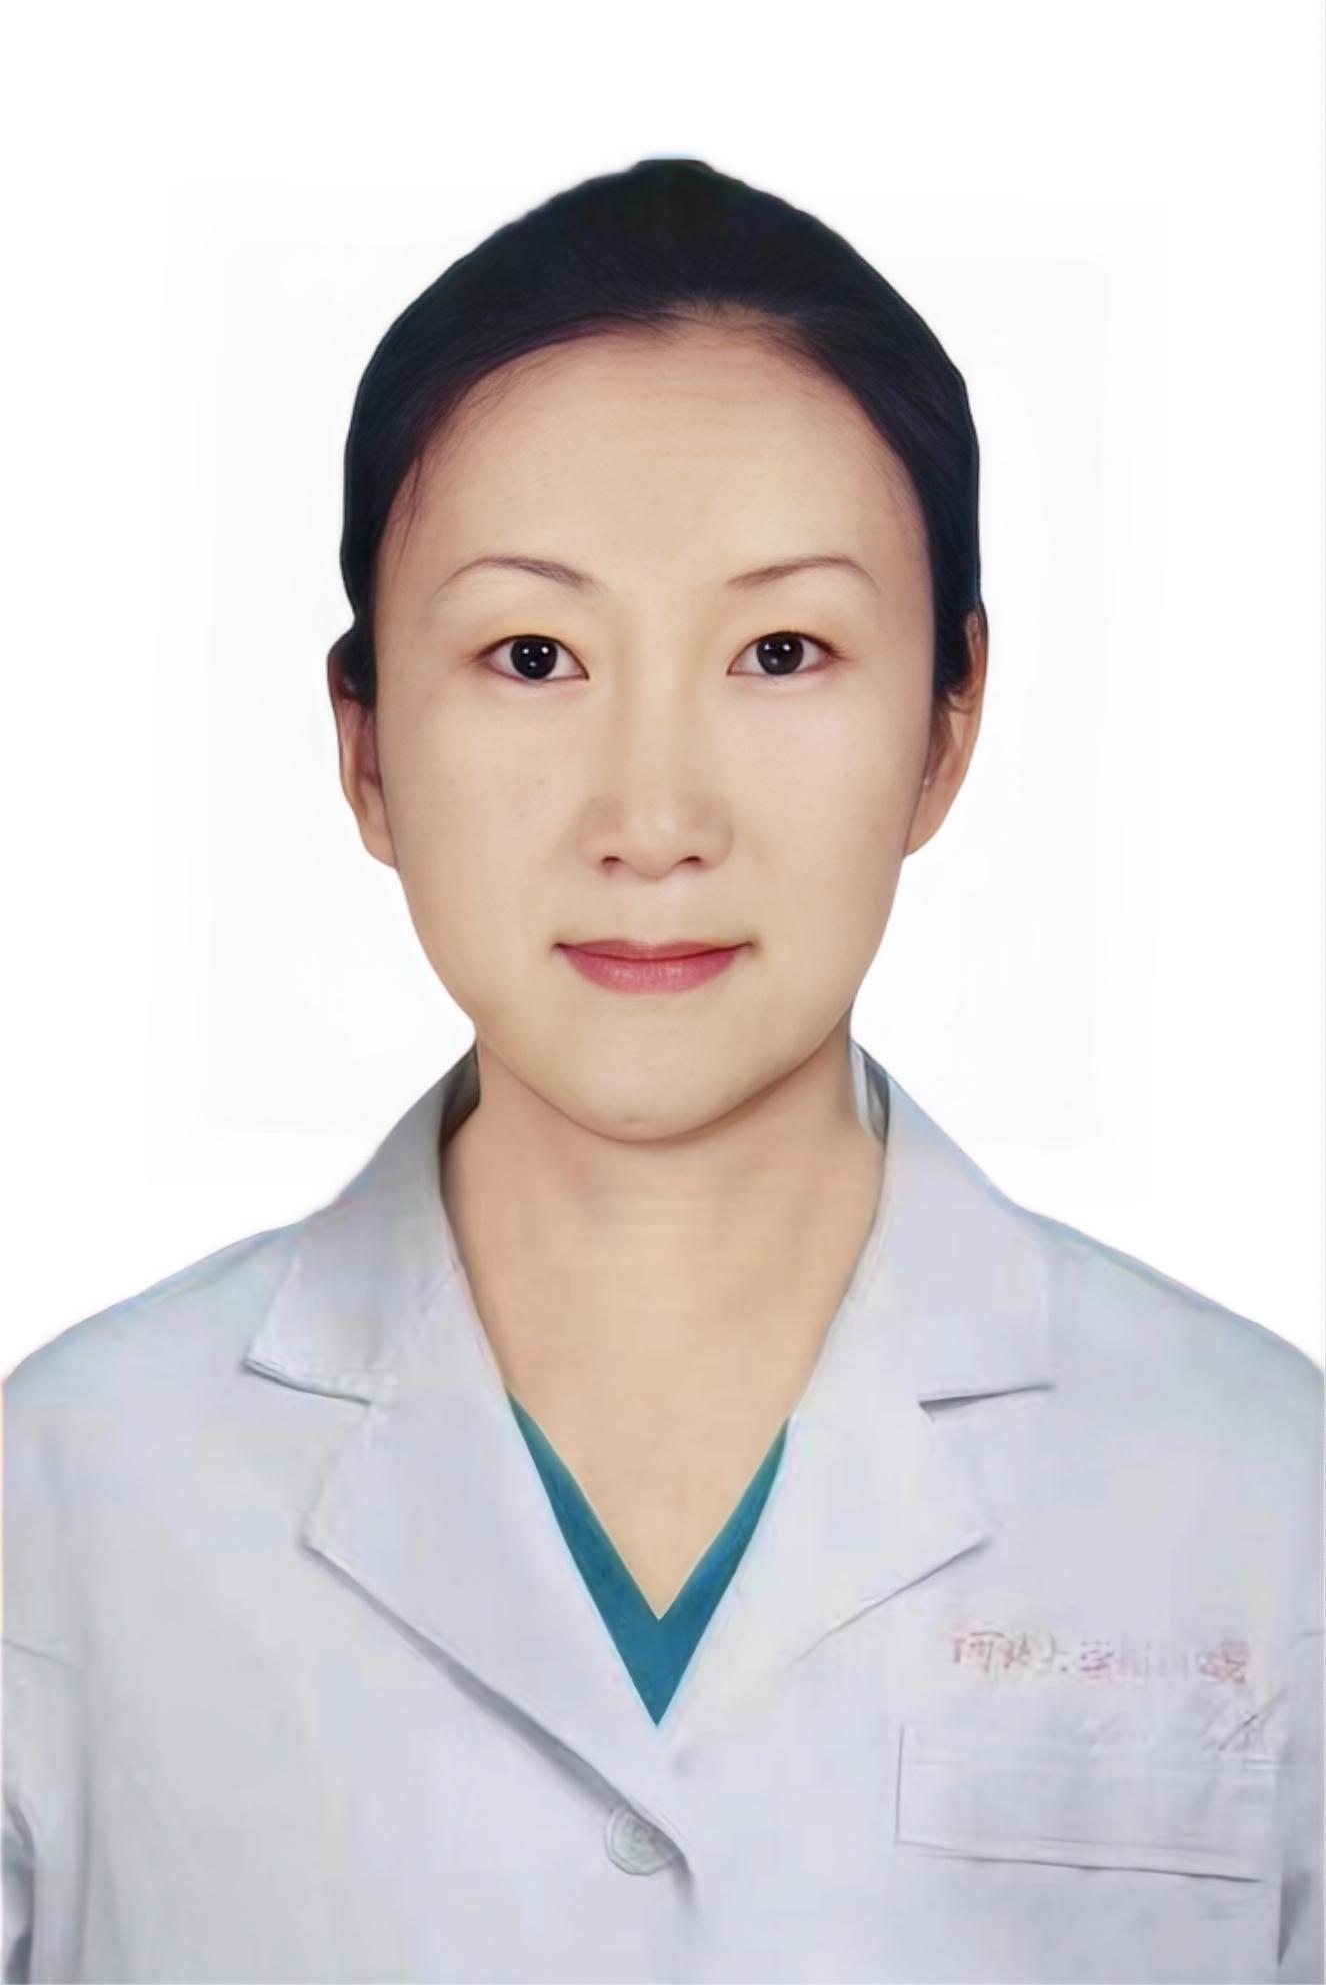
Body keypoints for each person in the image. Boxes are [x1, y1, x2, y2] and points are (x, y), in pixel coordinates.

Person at [3, 157, 1320, 1985]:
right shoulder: (73, 1487)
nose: (651, 817)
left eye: (780, 651)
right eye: (530, 654)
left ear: (948, 721)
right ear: (363, 743)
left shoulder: (1259, 1492)